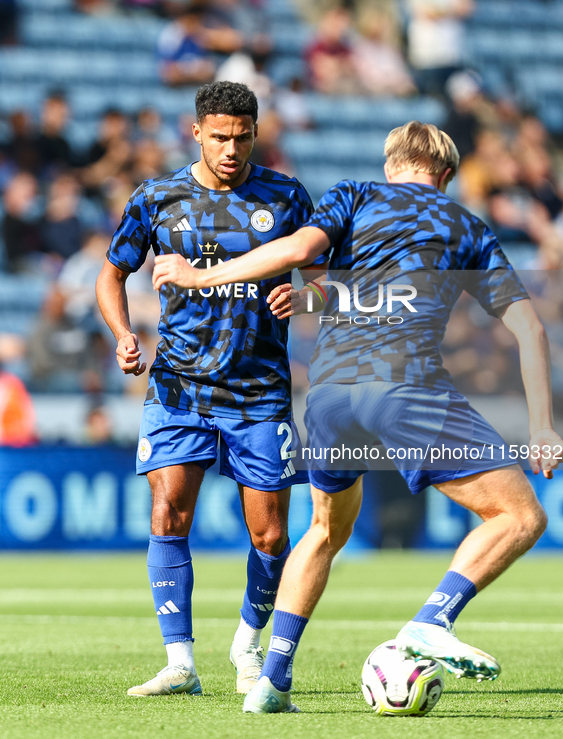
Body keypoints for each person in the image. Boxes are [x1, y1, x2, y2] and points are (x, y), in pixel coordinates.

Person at [152, 121, 563, 713]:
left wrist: (206, 275)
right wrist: (543, 427)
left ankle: (272, 681)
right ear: (445, 174)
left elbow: (305, 258)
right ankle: (432, 620)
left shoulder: (353, 194)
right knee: (519, 514)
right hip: (404, 386)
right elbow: (529, 328)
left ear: (391, 162)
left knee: (325, 531)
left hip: (328, 396)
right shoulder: (464, 224)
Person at [96, 81, 325, 698]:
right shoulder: (157, 197)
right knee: (169, 514)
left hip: (259, 389)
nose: (231, 148)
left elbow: (327, 278)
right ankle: (180, 662)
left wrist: (306, 296)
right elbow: (111, 275)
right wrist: (122, 332)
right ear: (195, 131)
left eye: (243, 137)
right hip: (178, 386)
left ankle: (247, 643)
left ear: (257, 133)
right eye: (219, 137)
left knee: (271, 535)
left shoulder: (285, 196)